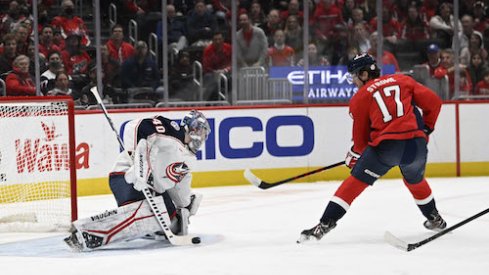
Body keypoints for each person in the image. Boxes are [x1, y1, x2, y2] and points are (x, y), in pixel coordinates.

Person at [298, 53, 446, 243]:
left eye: (354, 75)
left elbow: (360, 142)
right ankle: (435, 218)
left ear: (365, 74)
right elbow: (434, 103)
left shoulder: (359, 98)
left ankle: (324, 225)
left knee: (354, 183)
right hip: (416, 146)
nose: (352, 81)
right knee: (415, 181)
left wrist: (354, 157)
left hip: (387, 149)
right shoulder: (403, 80)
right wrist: (426, 128)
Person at [64, 110, 209, 251]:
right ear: (193, 128)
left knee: (170, 214)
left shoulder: (187, 160)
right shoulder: (172, 131)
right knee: (158, 214)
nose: (203, 137)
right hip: (124, 178)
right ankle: (86, 233)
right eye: (202, 132)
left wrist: (186, 207)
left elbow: (180, 196)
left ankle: (152, 229)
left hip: (144, 188)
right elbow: (136, 125)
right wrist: (141, 168)